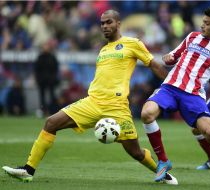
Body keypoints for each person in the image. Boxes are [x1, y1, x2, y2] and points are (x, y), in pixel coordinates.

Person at [2, 10, 178, 185]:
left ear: (118, 23)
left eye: (109, 22)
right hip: (92, 102)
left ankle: (161, 172)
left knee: (135, 152)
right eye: (102, 23)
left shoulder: (132, 43)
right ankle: (28, 170)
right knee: (51, 123)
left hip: (117, 107)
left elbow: (153, 65)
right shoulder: (103, 50)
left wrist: (172, 85)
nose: (104, 26)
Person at [141, 7, 210, 188]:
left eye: (207, 23)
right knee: (146, 113)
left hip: (193, 94)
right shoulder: (192, 37)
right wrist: (169, 57)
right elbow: (175, 55)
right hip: (170, 87)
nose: (202, 25)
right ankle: (163, 161)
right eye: (203, 22)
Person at [34, 40, 59, 116]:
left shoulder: (52, 57)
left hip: (51, 81)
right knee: (42, 96)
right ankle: (43, 110)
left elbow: (55, 69)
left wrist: (54, 79)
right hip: (42, 81)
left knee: (52, 96)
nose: (46, 48)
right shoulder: (40, 57)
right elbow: (36, 70)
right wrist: (38, 79)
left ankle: (52, 111)